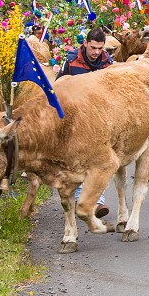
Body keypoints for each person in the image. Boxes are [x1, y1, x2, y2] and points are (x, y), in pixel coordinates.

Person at [58, 27, 113, 217]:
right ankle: (83, 199)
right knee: (78, 161)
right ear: (86, 44)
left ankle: (96, 202)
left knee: (98, 159)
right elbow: (60, 85)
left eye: (100, 48)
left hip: (99, 119)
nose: (97, 52)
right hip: (75, 118)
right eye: (93, 48)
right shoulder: (72, 62)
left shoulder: (107, 64)